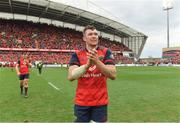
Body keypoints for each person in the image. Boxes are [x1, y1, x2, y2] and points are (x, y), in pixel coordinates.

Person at [68, 25, 116, 122]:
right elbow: (71, 76)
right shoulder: (77, 54)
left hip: (100, 102)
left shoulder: (106, 52)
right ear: (84, 38)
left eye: (95, 34)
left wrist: (97, 62)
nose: (94, 36)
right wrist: (87, 65)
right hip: (82, 102)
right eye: (90, 34)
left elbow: (113, 75)